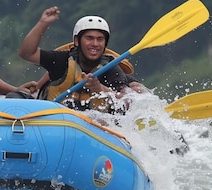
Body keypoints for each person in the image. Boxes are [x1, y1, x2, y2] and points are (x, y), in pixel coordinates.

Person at [19, 6, 148, 113]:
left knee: (135, 88)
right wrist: (43, 24)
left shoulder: (111, 68)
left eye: (100, 39)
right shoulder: (61, 60)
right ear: (76, 41)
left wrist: (99, 88)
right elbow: (27, 53)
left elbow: (125, 101)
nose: (95, 44)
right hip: (55, 121)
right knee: (15, 96)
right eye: (89, 38)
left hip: (94, 126)